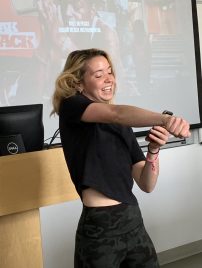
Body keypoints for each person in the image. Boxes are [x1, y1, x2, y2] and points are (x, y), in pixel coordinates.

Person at [51, 48, 190, 268]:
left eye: (110, 72)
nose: (108, 79)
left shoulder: (122, 125)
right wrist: (165, 120)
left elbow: (146, 184)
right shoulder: (72, 107)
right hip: (100, 228)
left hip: (133, 221)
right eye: (98, 75)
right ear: (79, 84)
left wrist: (153, 150)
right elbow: (116, 112)